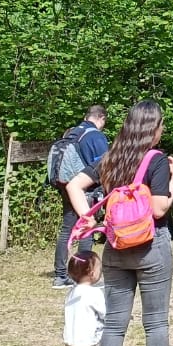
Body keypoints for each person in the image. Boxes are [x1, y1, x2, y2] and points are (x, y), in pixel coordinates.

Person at [66, 99, 173, 346]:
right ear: (153, 128)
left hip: (115, 248)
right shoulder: (156, 160)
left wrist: (87, 219)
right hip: (151, 247)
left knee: (115, 325)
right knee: (155, 322)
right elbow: (159, 208)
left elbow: (75, 184)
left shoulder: (111, 158)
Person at [51, 105, 109, 288]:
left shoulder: (71, 133)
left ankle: (60, 276)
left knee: (66, 229)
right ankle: (85, 275)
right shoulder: (96, 136)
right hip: (86, 189)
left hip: (67, 186)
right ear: (101, 118)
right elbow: (104, 165)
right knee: (86, 229)